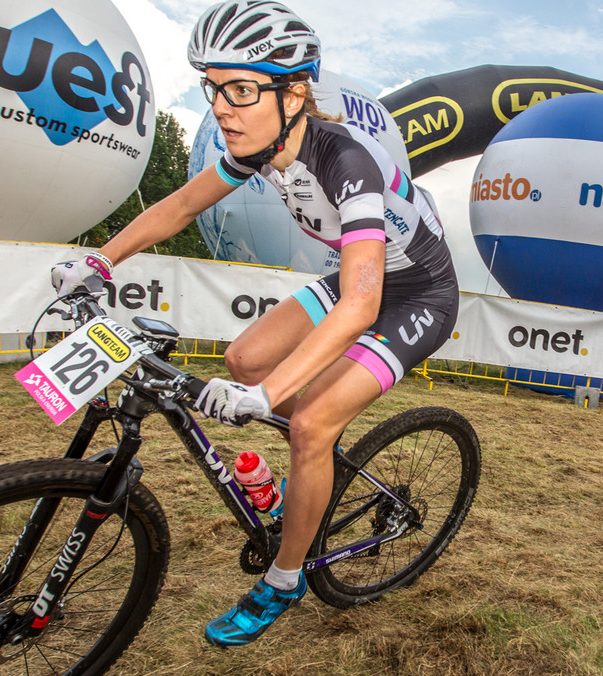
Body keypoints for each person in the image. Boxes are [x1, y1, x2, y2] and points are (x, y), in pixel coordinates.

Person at [51, 0, 458, 647]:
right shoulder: (262, 150)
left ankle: (284, 578)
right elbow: (182, 206)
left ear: (295, 92)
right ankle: (313, 461)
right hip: (359, 276)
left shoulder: (344, 159)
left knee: (306, 421)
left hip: (417, 295)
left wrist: (272, 399)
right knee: (243, 361)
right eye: (213, 88)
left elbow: (361, 303)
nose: (221, 108)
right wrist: (100, 260)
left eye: (241, 89)